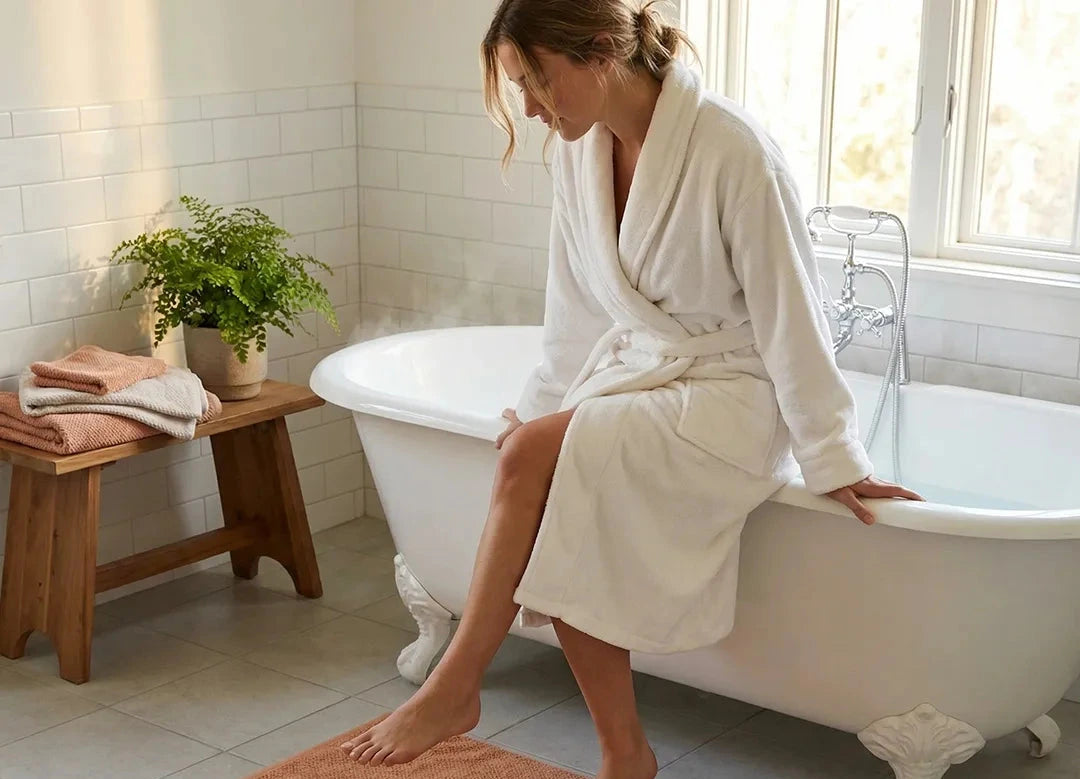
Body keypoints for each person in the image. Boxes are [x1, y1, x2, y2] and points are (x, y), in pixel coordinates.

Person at [341, 1, 923, 776]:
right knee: (547, 476)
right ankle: (625, 753)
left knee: (534, 462)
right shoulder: (579, 156)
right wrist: (544, 407)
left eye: (537, 81)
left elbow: (793, 313)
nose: (530, 109)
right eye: (518, 87)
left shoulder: (733, 149)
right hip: (642, 377)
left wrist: (832, 452)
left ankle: (458, 686)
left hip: (731, 394)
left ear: (602, 54)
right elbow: (574, 312)